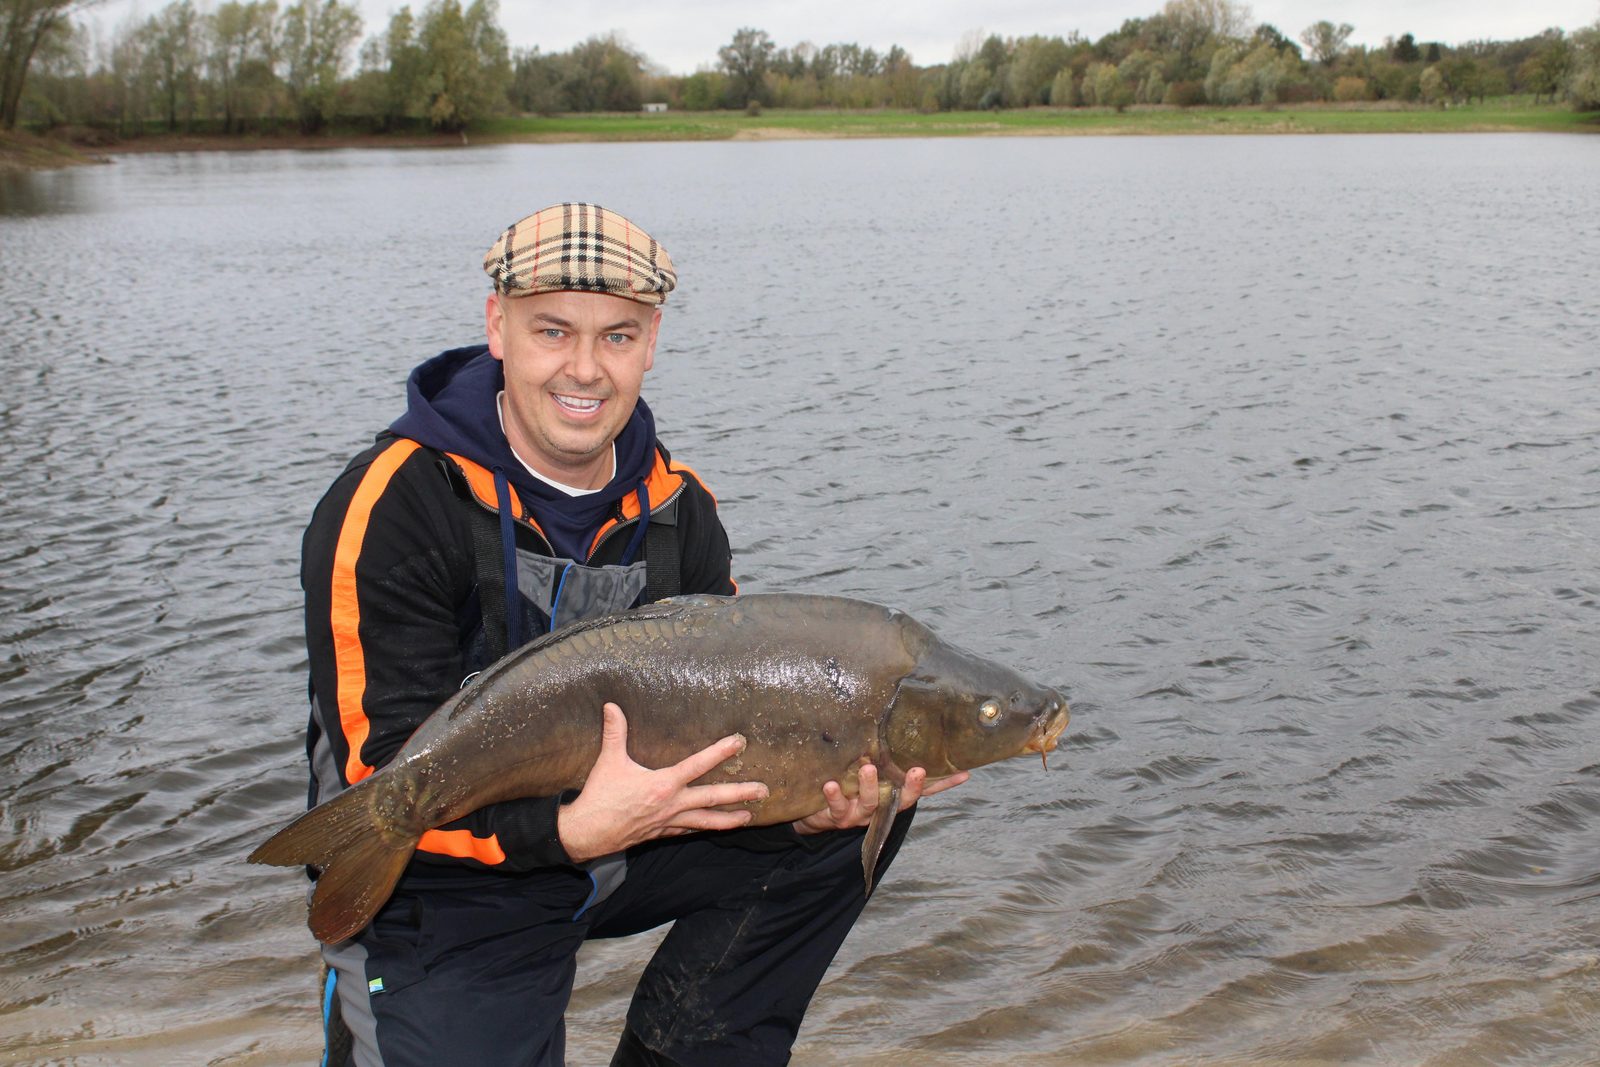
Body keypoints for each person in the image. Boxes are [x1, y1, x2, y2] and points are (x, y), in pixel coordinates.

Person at [296, 203, 967, 1066]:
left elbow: (738, 733)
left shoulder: (680, 510)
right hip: (445, 879)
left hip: (637, 838)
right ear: (496, 325)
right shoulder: (392, 504)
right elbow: (376, 770)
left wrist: (806, 810)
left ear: (652, 341)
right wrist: (570, 831)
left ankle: (684, 1049)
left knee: (860, 809)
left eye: (616, 336)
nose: (584, 368)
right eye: (552, 330)